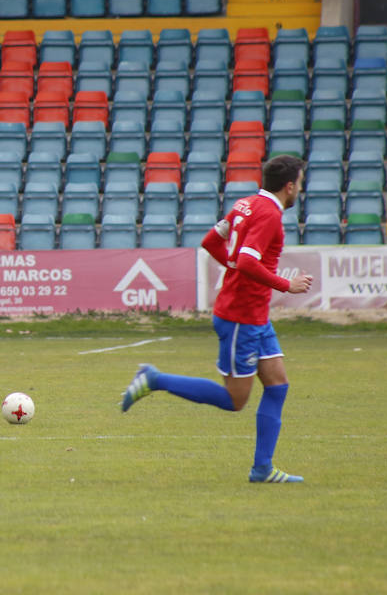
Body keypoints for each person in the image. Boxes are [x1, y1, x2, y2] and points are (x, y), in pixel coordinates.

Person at [120, 154, 313, 483]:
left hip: (254, 314)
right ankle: (154, 379)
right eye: (300, 184)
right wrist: (287, 285)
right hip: (241, 318)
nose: (300, 190)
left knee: (278, 385)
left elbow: (211, 241)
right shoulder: (268, 215)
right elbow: (249, 261)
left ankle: (262, 469)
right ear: (290, 185)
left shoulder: (246, 205)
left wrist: (236, 270)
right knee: (235, 399)